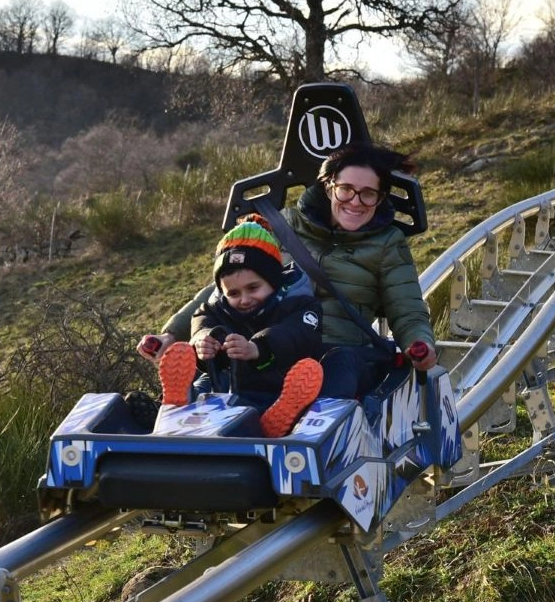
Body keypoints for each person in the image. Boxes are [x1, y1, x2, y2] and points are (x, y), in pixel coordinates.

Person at [136, 215, 324, 438]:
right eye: (233, 293)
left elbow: (295, 335)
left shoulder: (299, 305)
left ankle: (277, 421)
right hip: (224, 384)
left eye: (253, 288)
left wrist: (258, 348)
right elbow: (201, 320)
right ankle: (173, 407)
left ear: (273, 282)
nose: (244, 299)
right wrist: (201, 342)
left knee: (291, 388)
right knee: (203, 385)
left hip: (277, 381)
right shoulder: (217, 308)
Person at [282, 141, 438, 399]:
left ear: (380, 198)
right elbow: (226, 285)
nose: (355, 202)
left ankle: (307, 416)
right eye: (346, 189)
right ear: (329, 186)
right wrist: (200, 335)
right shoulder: (285, 225)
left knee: (338, 370)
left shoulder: (387, 243)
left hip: (338, 354)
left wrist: (419, 344)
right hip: (277, 346)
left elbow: (407, 309)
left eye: (368, 193)